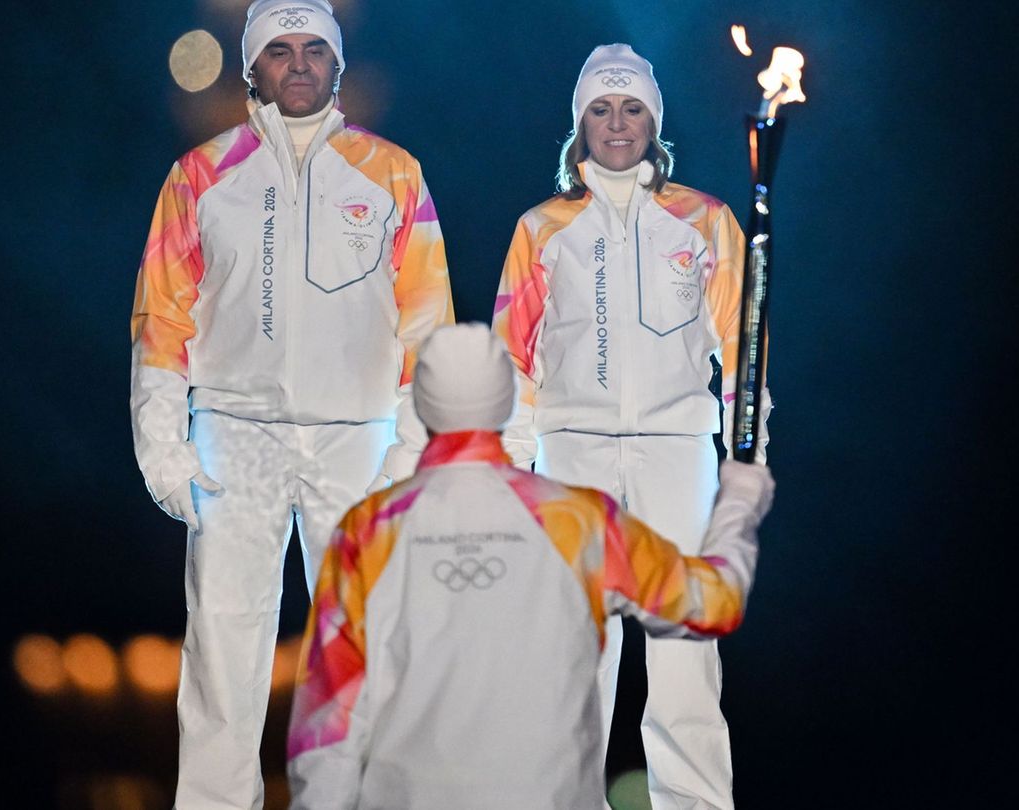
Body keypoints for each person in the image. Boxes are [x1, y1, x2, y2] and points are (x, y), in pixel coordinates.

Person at [128, 1, 453, 806]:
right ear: (252, 69)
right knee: (222, 653)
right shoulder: (200, 175)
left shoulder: (393, 173)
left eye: (316, 50)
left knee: (364, 652)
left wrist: (408, 451)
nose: (301, 64)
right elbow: (160, 319)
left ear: (339, 66)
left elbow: (427, 320)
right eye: (281, 51)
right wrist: (164, 447)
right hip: (235, 435)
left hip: (357, 438)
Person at [285, 324, 775, 810]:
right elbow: (713, 604)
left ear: (423, 405)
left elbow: (329, 723)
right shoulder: (579, 521)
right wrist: (740, 502)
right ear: (507, 402)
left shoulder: (368, 531)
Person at [490, 44, 775, 808]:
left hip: (678, 456)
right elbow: (512, 362)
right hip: (571, 458)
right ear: (580, 124)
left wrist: (746, 451)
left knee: (685, 658)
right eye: (601, 109)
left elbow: (741, 346)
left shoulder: (706, 220)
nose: (618, 124)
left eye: (633, 108)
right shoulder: (542, 229)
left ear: (655, 120)